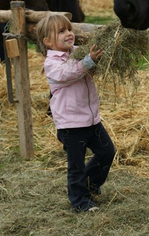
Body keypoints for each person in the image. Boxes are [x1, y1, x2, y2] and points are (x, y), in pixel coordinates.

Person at [36, 14, 116, 213]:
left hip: (91, 119)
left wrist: (97, 59)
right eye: (61, 31)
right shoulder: (52, 64)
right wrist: (89, 61)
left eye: (69, 29)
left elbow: (87, 69)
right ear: (47, 41)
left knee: (107, 152)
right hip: (71, 125)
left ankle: (90, 183)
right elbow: (68, 73)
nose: (68, 34)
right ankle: (80, 202)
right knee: (76, 165)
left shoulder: (78, 53)